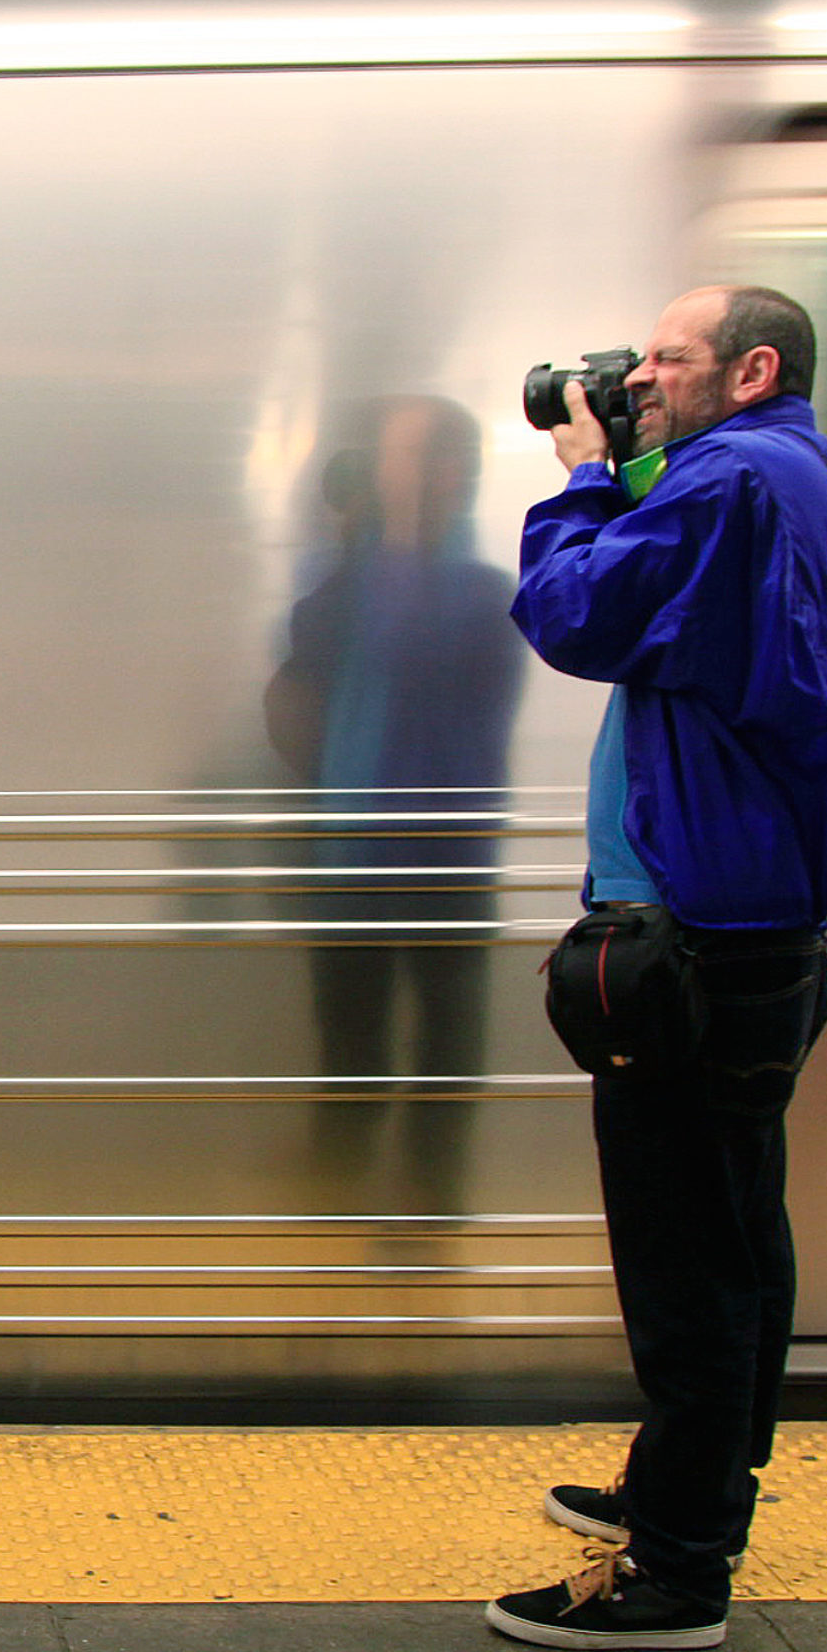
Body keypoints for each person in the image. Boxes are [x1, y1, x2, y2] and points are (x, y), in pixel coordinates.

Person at [486, 287, 827, 1652]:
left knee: (689, 1257)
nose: (642, 375)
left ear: (753, 367)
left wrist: (585, 478)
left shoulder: (734, 484)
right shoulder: (787, 473)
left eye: (669, 357)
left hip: (706, 937)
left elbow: (575, 614)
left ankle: (676, 1569)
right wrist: (635, 458)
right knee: (731, 1232)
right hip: (747, 914)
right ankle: (688, 1486)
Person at [266, 396, 525, 1218]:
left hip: (443, 855)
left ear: (448, 473)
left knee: (444, 1044)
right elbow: (309, 661)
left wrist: (408, 512)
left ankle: (430, 1205)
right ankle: (338, 1187)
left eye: (406, 457)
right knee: (348, 1036)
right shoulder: (340, 584)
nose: (389, 471)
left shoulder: (483, 595)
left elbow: (417, 635)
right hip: (348, 850)